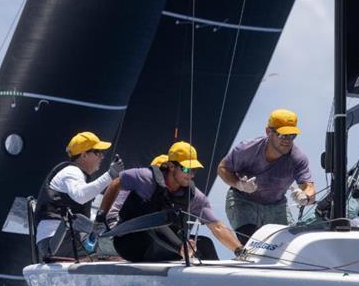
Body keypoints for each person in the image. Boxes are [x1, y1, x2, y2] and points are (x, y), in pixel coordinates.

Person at [98, 141, 243, 262]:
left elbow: (217, 226)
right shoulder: (146, 178)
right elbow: (117, 183)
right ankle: (182, 247)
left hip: (163, 247)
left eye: (194, 170)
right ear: (171, 166)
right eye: (187, 169)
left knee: (204, 244)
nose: (191, 174)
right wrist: (101, 216)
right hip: (131, 244)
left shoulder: (194, 196)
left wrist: (240, 250)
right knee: (157, 219)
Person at [217, 109, 315, 244]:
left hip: (276, 206)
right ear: (268, 131)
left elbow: (309, 188)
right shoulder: (246, 149)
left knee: (289, 246)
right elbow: (222, 168)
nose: (288, 140)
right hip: (243, 202)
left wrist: (305, 197)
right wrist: (239, 184)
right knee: (252, 245)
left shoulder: (298, 158)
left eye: (292, 135)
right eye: (282, 135)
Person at [34, 131, 123, 259]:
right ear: (84, 155)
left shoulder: (75, 174)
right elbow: (81, 196)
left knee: (113, 248)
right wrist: (110, 175)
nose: (102, 157)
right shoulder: (71, 172)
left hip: (60, 240)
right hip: (56, 241)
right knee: (119, 250)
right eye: (97, 152)